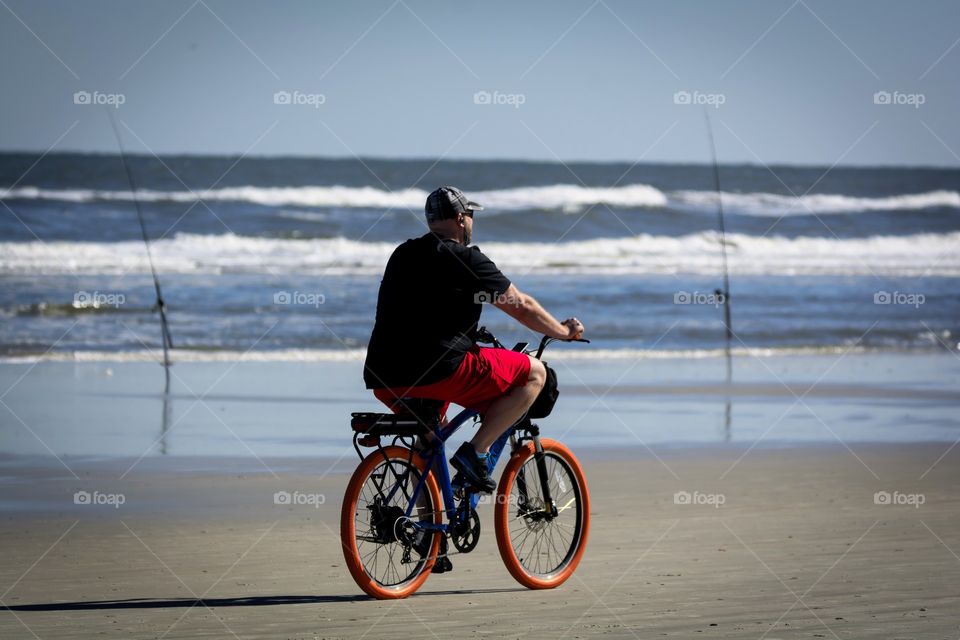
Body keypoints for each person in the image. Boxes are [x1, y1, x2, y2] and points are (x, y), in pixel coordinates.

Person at [363, 186, 584, 493]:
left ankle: (425, 528)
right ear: (460, 218)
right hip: (441, 371)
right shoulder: (467, 259)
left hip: (384, 375)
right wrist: (563, 332)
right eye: (470, 215)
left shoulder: (403, 254)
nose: (471, 222)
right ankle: (475, 452)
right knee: (535, 372)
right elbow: (521, 306)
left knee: (428, 441)